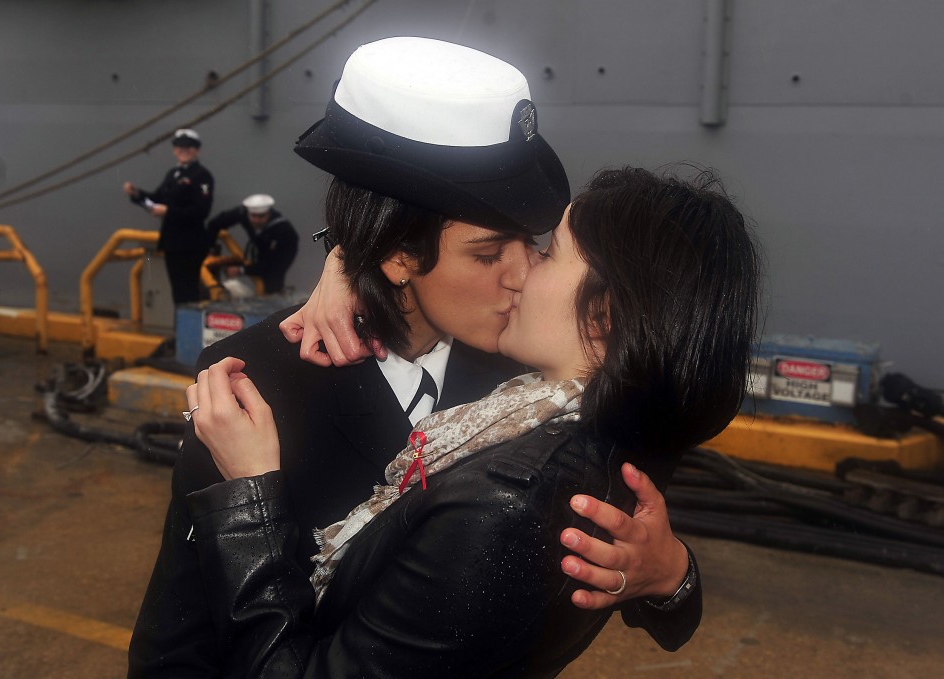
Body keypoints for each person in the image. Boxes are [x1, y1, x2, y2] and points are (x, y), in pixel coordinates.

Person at [127, 38, 697, 677]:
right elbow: (178, 639)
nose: (521, 277)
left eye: (531, 246)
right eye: (487, 255)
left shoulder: (531, 380)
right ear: (399, 255)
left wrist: (671, 575)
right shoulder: (256, 387)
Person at [185, 164, 761, 677]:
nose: (519, 272)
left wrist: (248, 498)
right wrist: (350, 255)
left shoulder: (505, 496)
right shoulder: (581, 413)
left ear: (605, 314)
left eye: (546, 250)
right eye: (492, 254)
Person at [123, 128, 215, 304]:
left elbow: (201, 211)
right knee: (178, 291)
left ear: (197, 150)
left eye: (189, 147)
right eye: (180, 147)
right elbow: (157, 198)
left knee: (187, 291)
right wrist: (137, 194)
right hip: (173, 242)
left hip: (189, 243)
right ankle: (181, 329)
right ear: (174, 150)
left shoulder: (201, 176)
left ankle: (186, 329)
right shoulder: (174, 174)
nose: (184, 151)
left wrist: (168, 212)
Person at [206, 193, 299, 295]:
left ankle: (274, 295)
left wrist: (241, 270)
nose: (256, 220)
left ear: (269, 213)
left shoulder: (284, 231)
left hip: (282, 251)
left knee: (273, 278)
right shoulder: (243, 213)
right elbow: (215, 224)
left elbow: (271, 266)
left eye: (261, 216)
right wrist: (209, 249)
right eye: (253, 216)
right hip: (261, 245)